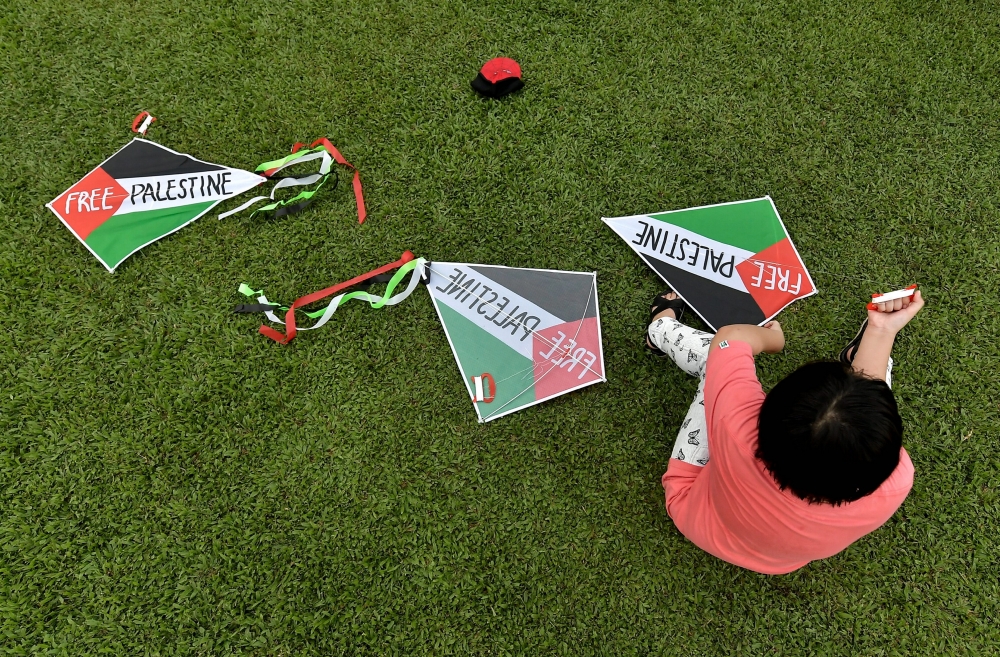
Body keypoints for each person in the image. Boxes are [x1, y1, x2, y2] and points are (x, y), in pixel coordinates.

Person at [646, 287, 925, 574]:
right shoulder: (897, 482)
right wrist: (881, 331)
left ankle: (658, 329)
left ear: (763, 414)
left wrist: (773, 339)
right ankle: (865, 350)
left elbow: (729, 339)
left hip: (693, 508)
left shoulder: (737, 427)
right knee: (866, 414)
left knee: (712, 356)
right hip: (775, 562)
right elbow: (867, 425)